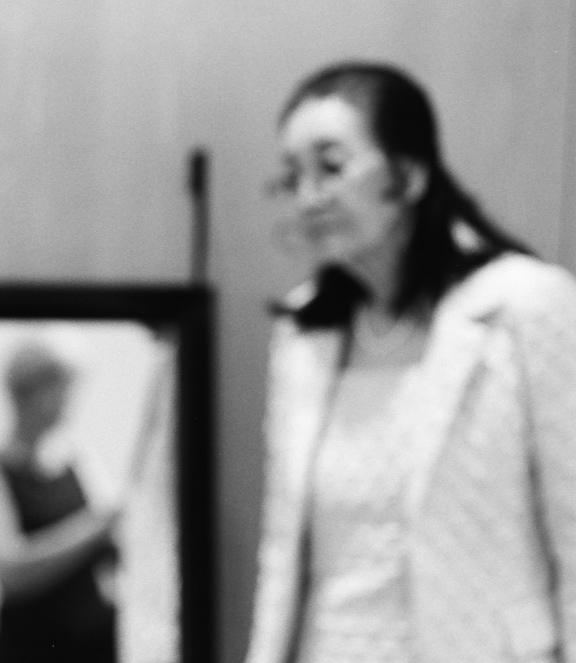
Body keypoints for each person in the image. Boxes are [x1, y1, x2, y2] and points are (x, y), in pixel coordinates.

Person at [248, 61, 576, 663]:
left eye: (331, 166)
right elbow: (281, 548)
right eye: (292, 177)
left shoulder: (527, 307)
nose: (308, 197)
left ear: (409, 173)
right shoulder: (304, 332)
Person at [0, 342, 120, 663]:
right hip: (33, 647)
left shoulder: (79, 463)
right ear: (27, 393)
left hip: (96, 647)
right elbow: (10, 568)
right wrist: (95, 528)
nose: (68, 401)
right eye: (59, 389)